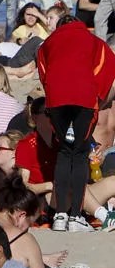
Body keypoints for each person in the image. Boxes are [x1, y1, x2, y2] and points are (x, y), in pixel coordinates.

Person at [35, 13, 114, 230]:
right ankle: (76, 216)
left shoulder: (49, 42)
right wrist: (97, 92)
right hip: (83, 98)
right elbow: (107, 64)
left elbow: (42, 69)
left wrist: (52, 90)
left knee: (64, 151)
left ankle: (60, 215)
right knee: (79, 153)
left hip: (57, 98)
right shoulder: (93, 40)